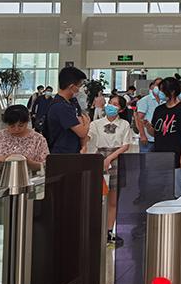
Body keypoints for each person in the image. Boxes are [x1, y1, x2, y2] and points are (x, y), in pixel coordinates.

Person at [87, 95, 132, 245]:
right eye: (110, 103)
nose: (111, 106)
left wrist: (109, 158)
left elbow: (125, 145)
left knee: (113, 199)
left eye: (115, 104)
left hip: (117, 159)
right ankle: (94, 229)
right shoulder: (96, 123)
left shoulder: (124, 124)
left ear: (122, 109)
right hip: (97, 158)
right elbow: (89, 139)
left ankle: (108, 231)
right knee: (96, 197)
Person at [151, 77, 181, 197]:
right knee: (160, 190)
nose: (160, 93)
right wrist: (144, 125)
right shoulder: (159, 110)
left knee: (177, 190)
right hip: (160, 156)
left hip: (176, 156)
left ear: (171, 92)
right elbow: (155, 132)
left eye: (162, 90)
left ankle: (180, 214)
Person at [47, 66, 90, 154]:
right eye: (80, 86)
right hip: (62, 154)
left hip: (75, 151)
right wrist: (88, 121)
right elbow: (82, 132)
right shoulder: (60, 106)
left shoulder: (72, 102)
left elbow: (81, 123)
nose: (81, 89)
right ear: (71, 87)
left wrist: (83, 146)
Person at [0, 104, 49, 170]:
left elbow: (46, 165)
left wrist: (30, 163)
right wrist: (1, 159)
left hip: (30, 178)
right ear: (6, 123)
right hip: (2, 177)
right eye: (12, 126)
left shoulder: (38, 139)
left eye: (21, 126)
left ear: (27, 122)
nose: (16, 129)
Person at [135, 78, 164, 153]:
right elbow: (139, 118)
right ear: (152, 86)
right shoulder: (145, 100)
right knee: (145, 161)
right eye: (157, 84)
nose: (159, 87)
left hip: (161, 138)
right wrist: (142, 135)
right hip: (147, 138)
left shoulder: (164, 101)